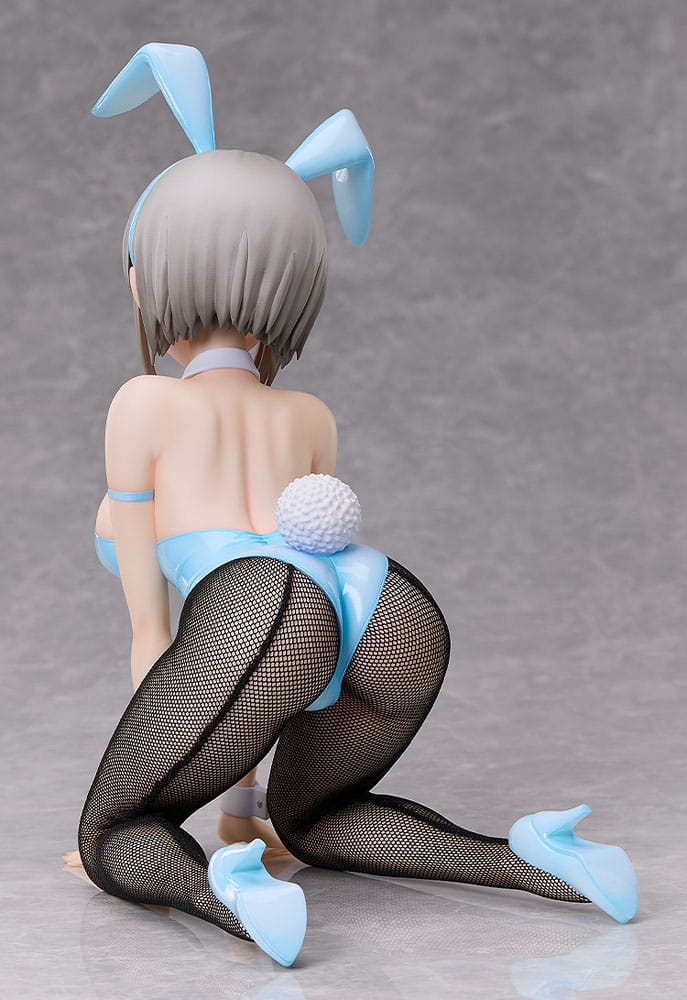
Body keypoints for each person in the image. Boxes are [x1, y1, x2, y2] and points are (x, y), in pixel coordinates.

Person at [75, 44, 638, 968]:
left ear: (157, 269)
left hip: (262, 608)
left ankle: (225, 890)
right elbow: (275, 652)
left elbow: (164, 634)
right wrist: (245, 813)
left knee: (115, 834)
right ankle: (536, 858)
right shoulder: (307, 413)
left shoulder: (144, 404)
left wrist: (185, 807)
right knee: (321, 818)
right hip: (386, 605)